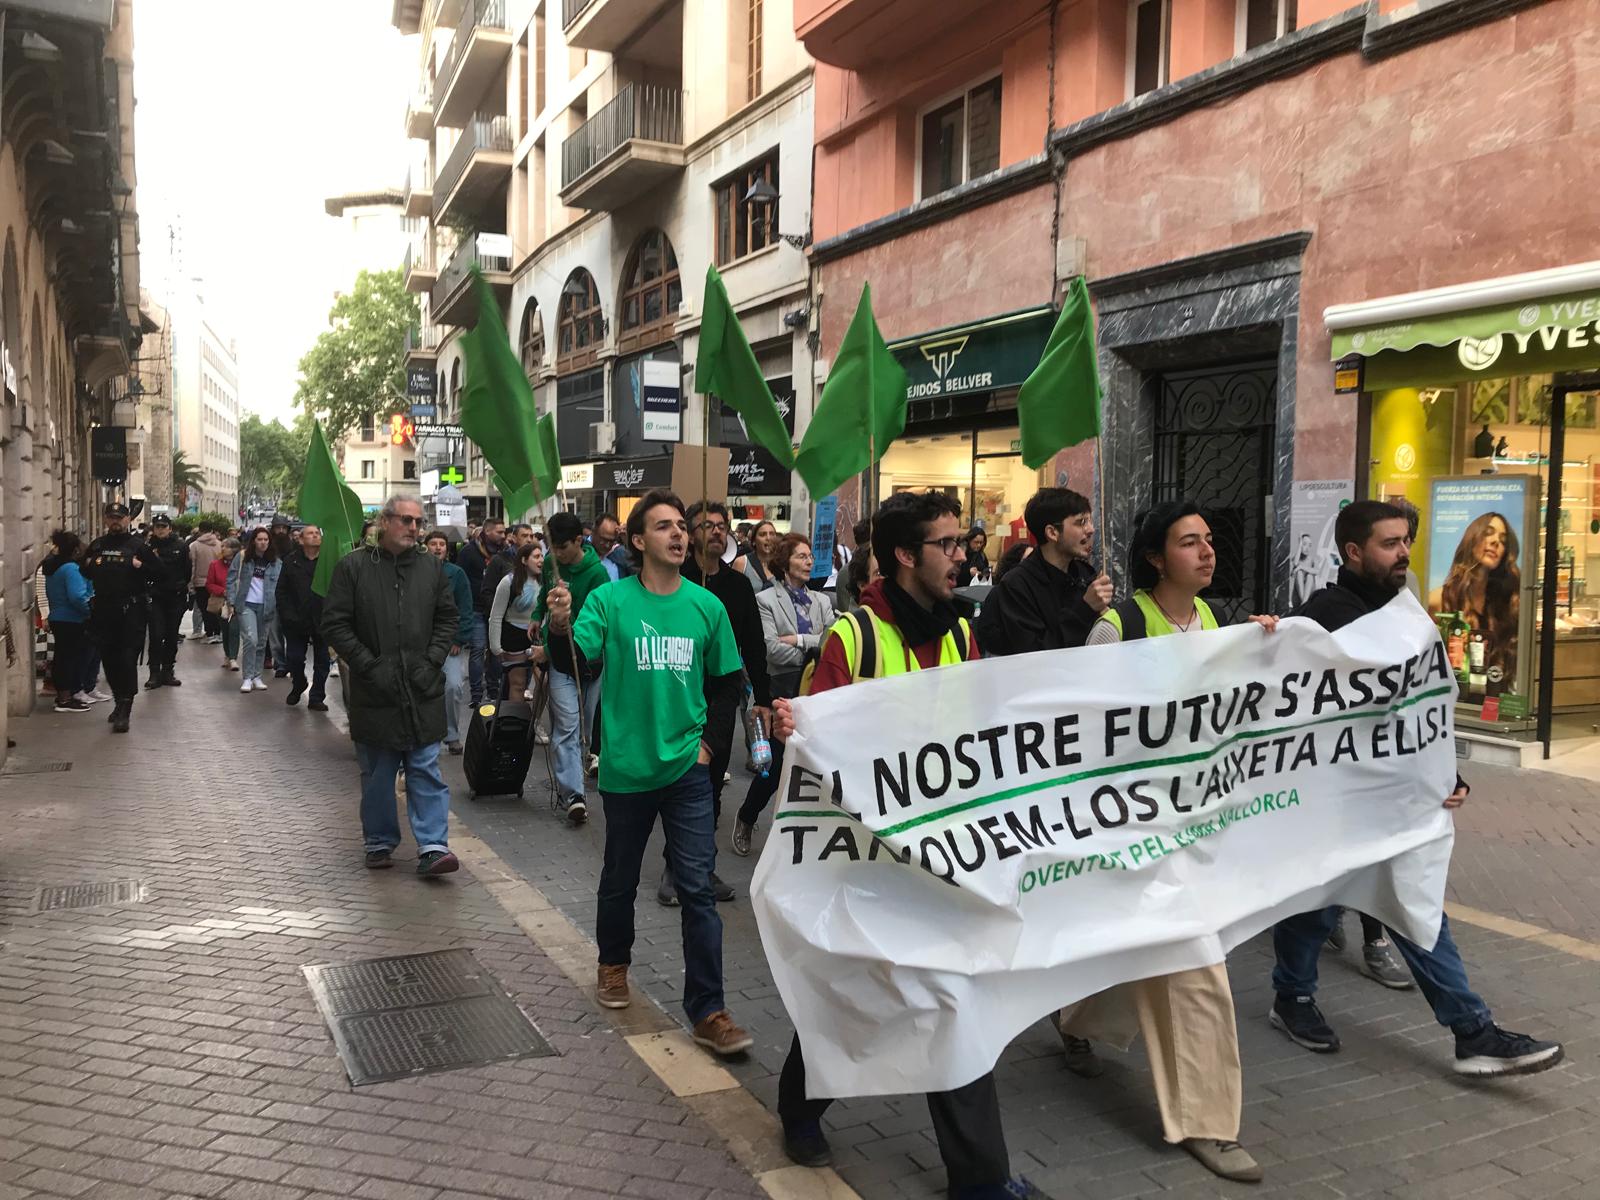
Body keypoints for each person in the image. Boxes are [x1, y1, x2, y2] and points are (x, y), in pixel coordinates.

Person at [765, 491, 1041, 1200]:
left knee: (953, 1000)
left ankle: (981, 1182)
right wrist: (790, 725)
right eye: (947, 544)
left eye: (961, 541)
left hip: (943, 864)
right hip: (865, 869)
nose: (962, 554)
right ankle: (801, 1105)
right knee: (849, 991)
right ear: (904, 556)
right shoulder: (851, 639)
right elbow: (810, 746)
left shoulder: (959, 634)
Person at [1269, 500, 1564, 1078]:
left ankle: (1471, 1030)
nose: (1404, 551)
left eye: (1406, 540)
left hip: (1395, 805)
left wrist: (1444, 773)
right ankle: (1293, 997)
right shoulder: (1323, 617)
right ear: (1353, 552)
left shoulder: (1409, 615)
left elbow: (1421, 710)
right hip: (1335, 804)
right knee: (1315, 906)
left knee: (1415, 905)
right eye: (1389, 543)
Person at [1063, 502, 1275, 1184]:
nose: (1208, 552)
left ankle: (1074, 1019)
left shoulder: (1211, 623)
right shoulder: (1117, 628)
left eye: (1210, 540)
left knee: (1142, 948)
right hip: (1132, 827)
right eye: (1190, 542)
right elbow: (1081, 728)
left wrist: (1265, 651)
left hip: (1192, 826)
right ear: (1157, 557)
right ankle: (1209, 1123)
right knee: (1195, 964)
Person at [545, 489, 752, 1058]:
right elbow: (574, 662)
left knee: (697, 890)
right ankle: (614, 964)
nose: (680, 534)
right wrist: (558, 625)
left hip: (688, 767)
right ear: (639, 541)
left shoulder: (707, 606)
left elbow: (727, 682)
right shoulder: (609, 602)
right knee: (619, 877)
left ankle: (709, 1010)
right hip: (627, 768)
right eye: (664, 526)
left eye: (682, 525)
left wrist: (710, 747)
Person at [323, 494, 460, 877]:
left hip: (422, 689)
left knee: (426, 769)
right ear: (385, 522)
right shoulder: (353, 568)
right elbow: (335, 623)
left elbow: (448, 618)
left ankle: (433, 846)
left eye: (418, 522)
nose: (413, 528)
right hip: (376, 691)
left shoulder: (433, 570)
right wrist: (369, 665)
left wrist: (431, 660)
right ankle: (380, 841)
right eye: (405, 520)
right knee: (379, 775)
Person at [672, 501, 772, 903]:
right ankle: (674, 865)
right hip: (677, 691)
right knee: (678, 781)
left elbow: (753, 645)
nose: (716, 531)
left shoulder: (737, 585)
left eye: (721, 525)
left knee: (711, 781)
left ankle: (703, 865)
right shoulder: (674, 580)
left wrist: (763, 696)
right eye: (707, 525)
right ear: (690, 532)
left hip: (721, 695)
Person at [730, 533, 836, 858]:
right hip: (777, 695)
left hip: (814, 694)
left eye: (809, 557)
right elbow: (772, 651)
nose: (809, 562)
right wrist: (811, 644)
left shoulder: (822, 601)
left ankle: (795, 837)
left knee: (809, 768)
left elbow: (833, 644)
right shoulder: (765, 601)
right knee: (772, 769)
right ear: (785, 561)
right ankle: (747, 816)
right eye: (802, 556)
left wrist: (799, 640)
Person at [532, 511, 609, 823]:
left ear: (579, 541)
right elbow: (543, 595)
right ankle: (573, 794)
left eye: (562, 547)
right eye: (552, 547)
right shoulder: (554, 564)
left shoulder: (598, 576)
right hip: (561, 664)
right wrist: (539, 615)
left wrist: (545, 650)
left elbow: (594, 630)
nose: (556, 554)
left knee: (585, 728)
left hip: (592, 662)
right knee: (566, 725)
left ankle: (583, 768)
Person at [974, 487, 1112, 655]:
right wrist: (1084, 609)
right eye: (1081, 522)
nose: (1090, 529)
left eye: (1090, 521)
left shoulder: (1085, 574)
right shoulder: (1017, 586)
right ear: (1052, 533)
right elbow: (1034, 653)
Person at [82, 502, 153, 733]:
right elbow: (83, 569)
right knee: (109, 661)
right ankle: (118, 699)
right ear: (105, 520)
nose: (116, 521)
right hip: (104, 611)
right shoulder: (98, 545)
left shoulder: (138, 546)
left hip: (130, 612)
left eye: (120, 518)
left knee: (126, 660)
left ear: (128, 520)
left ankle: (125, 708)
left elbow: (159, 571)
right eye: (111, 517)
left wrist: (141, 567)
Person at [1430, 510, 1519, 682]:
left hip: (1493, 697)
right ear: (1472, 539)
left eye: (1503, 540)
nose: (1496, 542)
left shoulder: (1507, 604)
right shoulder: (1438, 599)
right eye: (1488, 533)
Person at [425, 529, 476, 754]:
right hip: (421, 643)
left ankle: (452, 734)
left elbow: (466, 608)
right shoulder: (416, 572)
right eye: (433, 543)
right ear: (425, 546)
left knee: (453, 686)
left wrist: (459, 638)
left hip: (449, 643)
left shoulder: (457, 574)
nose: (438, 547)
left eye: (442, 544)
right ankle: (426, 735)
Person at [277, 524, 331, 711]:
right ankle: (299, 683)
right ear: (300, 539)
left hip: (322, 618)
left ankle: (316, 696)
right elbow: (282, 591)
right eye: (310, 533)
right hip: (296, 619)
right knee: (295, 658)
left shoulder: (328, 562)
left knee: (323, 660)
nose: (315, 536)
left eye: (318, 533)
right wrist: (288, 614)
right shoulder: (291, 561)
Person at [457, 517, 508, 705]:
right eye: (499, 532)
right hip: (476, 610)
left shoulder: (504, 553)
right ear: (487, 532)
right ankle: (477, 693)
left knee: (496, 651)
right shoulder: (468, 552)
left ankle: (493, 690)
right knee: (478, 650)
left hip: (497, 610)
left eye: (504, 532)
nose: (503, 535)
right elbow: (462, 582)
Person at [43, 530, 95, 712]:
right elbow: (77, 596)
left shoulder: (52, 567)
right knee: (69, 658)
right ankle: (65, 698)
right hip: (71, 619)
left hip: (58, 616)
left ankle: (64, 696)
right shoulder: (70, 569)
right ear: (74, 550)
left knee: (63, 657)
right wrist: (90, 612)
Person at [225, 528, 282, 694]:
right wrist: (232, 601)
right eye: (259, 539)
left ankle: (257, 676)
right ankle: (248, 677)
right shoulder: (243, 558)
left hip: (267, 606)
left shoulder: (276, 562)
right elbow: (231, 579)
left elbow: (280, 585)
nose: (263, 542)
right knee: (251, 639)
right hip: (246, 604)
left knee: (262, 642)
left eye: (266, 540)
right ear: (253, 541)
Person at [489, 539, 545, 702]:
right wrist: (495, 647)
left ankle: (536, 722)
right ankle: (517, 723)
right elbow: (496, 616)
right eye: (536, 556)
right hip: (513, 636)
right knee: (518, 684)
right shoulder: (508, 582)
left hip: (538, 636)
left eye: (542, 555)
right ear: (524, 560)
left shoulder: (545, 582)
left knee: (544, 682)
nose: (541, 560)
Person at [142, 514, 192, 689]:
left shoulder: (181, 546)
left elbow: (187, 571)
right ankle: (154, 672)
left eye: (164, 526)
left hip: (174, 597)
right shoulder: (147, 547)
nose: (160, 530)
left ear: (170, 528)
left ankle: (168, 670)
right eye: (157, 526)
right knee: (156, 635)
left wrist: (180, 586)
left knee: (171, 636)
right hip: (156, 597)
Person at [209, 538, 241, 671]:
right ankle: (227, 655)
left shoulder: (241, 564)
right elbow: (209, 583)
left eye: (226, 546)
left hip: (237, 601)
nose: (222, 549)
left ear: (234, 549)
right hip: (222, 602)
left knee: (234, 629)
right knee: (225, 630)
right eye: (222, 546)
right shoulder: (215, 565)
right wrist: (223, 591)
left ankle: (233, 657)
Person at [187, 521, 222, 641]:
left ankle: (209, 632)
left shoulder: (194, 546)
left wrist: (191, 584)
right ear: (212, 530)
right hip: (217, 582)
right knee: (216, 607)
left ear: (200, 530)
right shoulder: (219, 544)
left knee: (204, 609)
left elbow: (192, 566)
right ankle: (217, 632)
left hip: (200, 582)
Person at [737, 520, 778, 593]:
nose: (768, 538)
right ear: (754, 541)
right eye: (763, 534)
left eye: (772, 534)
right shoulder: (742, 563)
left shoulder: (781, 564)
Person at [592, 511, 632, 581]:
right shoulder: (583, 551)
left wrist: (628, 542)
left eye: (611, 541)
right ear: (594, 532)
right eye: (604, 540)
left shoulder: (621, 554)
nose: (607, 545)